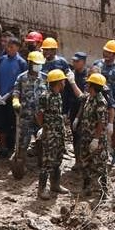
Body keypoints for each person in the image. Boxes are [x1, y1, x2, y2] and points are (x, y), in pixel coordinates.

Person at [35, 70, 73, 199]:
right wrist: (43, 127)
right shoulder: (45, 96)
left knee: (58, 159)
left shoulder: (58, 95)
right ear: (58, 82)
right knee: (47, 162)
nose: (64, 83)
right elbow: (39, 114)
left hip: (59, 133)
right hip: (50, 133)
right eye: (63, 81)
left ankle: (55, 185)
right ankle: (41, 190)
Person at [91, 40, 115, 163]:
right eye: (105, 51)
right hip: (96, 101)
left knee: (113, 129)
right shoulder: (97, 64)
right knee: (96, 125)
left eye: (109, 52)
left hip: (112, 103)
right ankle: (98, 150)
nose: (106, 54)